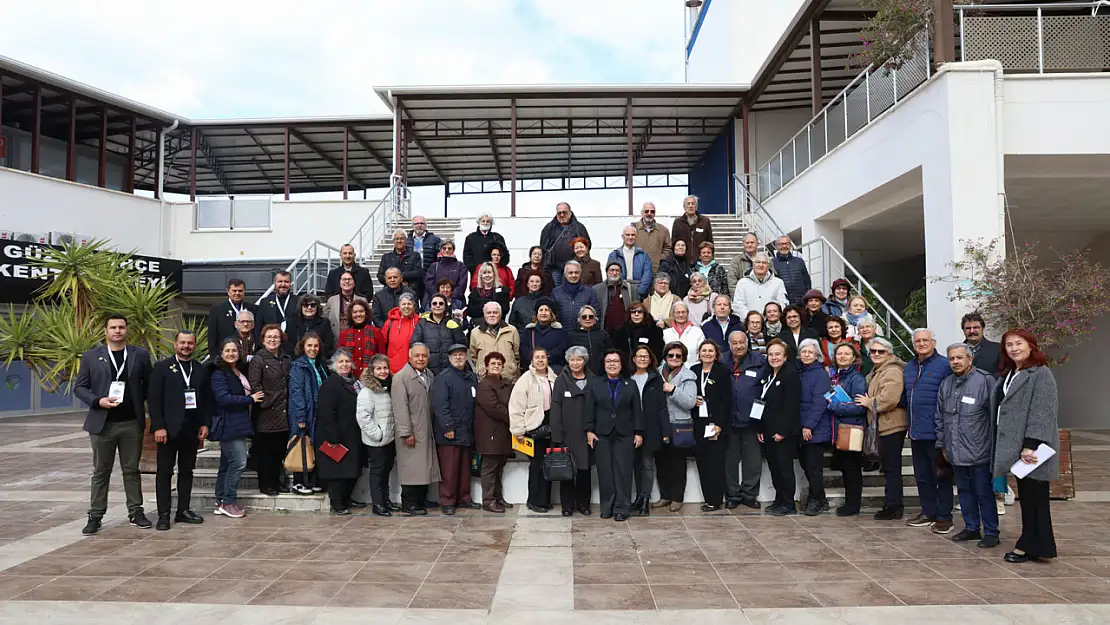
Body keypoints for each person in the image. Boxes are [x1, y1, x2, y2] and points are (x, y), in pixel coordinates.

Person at [75, 314, 153, 534]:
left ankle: (136, 511)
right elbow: (80, 387)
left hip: (131, 423)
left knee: (132, 471)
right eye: (113, 327)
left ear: (127, 330)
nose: (117, 331)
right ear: (106, 331)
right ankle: (95, 515)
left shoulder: (140, 355)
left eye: (121, 327)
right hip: (102, 424)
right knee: (101, 471)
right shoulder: (92, 357)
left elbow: (149, 385)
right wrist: (97, 401)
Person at [993, 328, 1059, 564]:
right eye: (1009, 345)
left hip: (1033, 449)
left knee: (1036, 499)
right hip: (1016, 445)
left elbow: (1043, 412)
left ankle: (1029, 544)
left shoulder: (1040, 374)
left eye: (1019, 343)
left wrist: (1030, 445)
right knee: (1028, 498)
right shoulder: (1012, 373)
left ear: (1031, 345)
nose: (1014, 348)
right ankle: (1037, 544)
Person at [936, 343, 999, 548]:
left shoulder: (985, 381)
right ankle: (971, 527)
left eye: (959, 358)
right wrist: (943, 444)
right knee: (964, 491)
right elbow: (939, 417)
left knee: (983, 491)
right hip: (955, 449)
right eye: (951, 358)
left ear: (969, 359)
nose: (955, 362)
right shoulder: (946, 384)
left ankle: (991, 531)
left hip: (980, 449)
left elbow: (995, 416)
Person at [149, 330, 208, 531]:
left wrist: (204, 423)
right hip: (167, 430)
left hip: (191, 429)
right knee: (164, 472)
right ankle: (163, 514)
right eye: (182, 343)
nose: (186, 346)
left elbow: (205, 400)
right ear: (175, 344)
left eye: (190, 343)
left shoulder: (200, 369)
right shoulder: (162, 368)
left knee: (187, 471)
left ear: (194, 345)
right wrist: (158, 426)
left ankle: (183, 510)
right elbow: (154, 399)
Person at [903, 328, 955, 533]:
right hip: (916, 432)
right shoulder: (909, 367)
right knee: (922, 476)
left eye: (926, 340)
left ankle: (944, 516)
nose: (921, 344)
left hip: (936, 432)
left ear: (933, 342)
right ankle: (928, 511)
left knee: (941, 476)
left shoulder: (944, 365)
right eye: (918, 341)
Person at [585, 350, 644, 521]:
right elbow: (589, 409)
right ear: (604, 364)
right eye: (608, 361)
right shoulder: (595, 384)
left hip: (624, 434)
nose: (612, 364)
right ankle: (607, 507)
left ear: (621, 364)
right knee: (605, 472)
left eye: (615, 361)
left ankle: (621, 508)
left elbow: (637, 411)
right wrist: (589, 430)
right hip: (601, 434)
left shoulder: (630, 384)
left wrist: (638, 432)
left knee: (623, 472)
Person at [208, 338, 263, 520]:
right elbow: (223, 399)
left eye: (234, 350)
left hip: (238, 423)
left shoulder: (236, 370)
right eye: (227, 351)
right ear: (221, 353)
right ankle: (229, 502)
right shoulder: (219, 373)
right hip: (228, 425)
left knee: (226, 464)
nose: (231, 353)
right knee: (239, 463)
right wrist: (250, 399)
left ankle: (220, 501)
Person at [856, 337, 907, 520]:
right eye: (873, 351)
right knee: (888, 468)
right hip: (883, 425)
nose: (876, 354)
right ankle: (891, 503)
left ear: (889, 353)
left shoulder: (892, 371)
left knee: (892, 469)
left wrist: (868, 402)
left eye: (881, 351)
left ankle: (893, 506)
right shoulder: (877, 370)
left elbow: (889, 398)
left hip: (892, 425)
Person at [392, 344, 441, 515]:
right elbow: (400, 407)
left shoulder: (429, 375)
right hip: (411, 431)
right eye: (417, 356)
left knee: (424, 466)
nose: (421, 359)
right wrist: (405, 432)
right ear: (409, 357)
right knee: (411, 468)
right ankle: (409, 503)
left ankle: (421, 500)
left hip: (426, 428)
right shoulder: (401, 378)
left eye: (424, 356)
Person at [432, 344, 480, 515]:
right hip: (450, 432)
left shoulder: (471, 377)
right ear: (449, 358)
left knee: (464, 469)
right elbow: (440, 405)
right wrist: (447, 426)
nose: (459, 358)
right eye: (455, 355)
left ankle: (464, 497)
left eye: (461, 354)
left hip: (467, 430)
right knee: (449, 469)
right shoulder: (443, 378)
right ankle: (448, 500)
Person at [509, 348, 559, 513]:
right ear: (531, 360)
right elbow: (516, 406)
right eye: (536, 357)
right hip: (533, 427)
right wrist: (518, 431)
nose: (540, 360)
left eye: (543, 357)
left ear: (547, 359)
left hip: (551, 425)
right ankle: (534, 501)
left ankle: (545, 500)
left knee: (548, 464)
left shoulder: (554, 378)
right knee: (536, 465)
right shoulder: (525, 380)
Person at [314, 350, 362, 515]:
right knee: (337, 472)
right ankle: (337, 502)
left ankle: (346, 498)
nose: (344, 365)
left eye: (347, 361)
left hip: (351, 433)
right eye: (340, 362)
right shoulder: (330, 384)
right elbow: (327, 413)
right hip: (335, 434)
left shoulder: (353, 383)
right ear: (334, 366)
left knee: (350, 470)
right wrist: (332, 436)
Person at [722, 332, 766, 510]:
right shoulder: (722, 361)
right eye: (735, 343)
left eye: (742, 342)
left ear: (747, 343)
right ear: (729, 344)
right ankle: (732, 495)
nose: (738, 346)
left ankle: (750, 494)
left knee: (753, 462)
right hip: (728, 420)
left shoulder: (759, 361)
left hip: (752, 421)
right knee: (729, 461)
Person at [654, 341, 698, 513]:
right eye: (671, 355)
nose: (674, 358)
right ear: (665, 356)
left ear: (684, 358)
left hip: (680, 425)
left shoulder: (689, 377)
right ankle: (665, 495)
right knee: (661, 462)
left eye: (678, 356)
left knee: (677, 464)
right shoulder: (656, 373)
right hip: (659, 425)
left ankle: (677, 498)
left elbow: (690, 402)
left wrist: (672, 390)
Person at [249, 324, 292, 496]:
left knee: (279, 451)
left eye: (276, 336)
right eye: (269, 337)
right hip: (266, 413)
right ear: (263, 339)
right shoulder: (258, 359)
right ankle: (266, 484)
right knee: (266, 452)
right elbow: (254, 385)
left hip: (284, 412)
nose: (273, 340)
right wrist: (267, 400)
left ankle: (278, 482)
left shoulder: (287, 358)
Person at [760, 339, 801, 516]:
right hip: (768, 430)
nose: (774, 357)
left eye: (778, 354)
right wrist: (760, 428)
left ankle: (788, 503)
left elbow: (791, 406)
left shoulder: (790, 375)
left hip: (782, 432)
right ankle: (779, 500)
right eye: (771, 354)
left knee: (784, 469)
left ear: (785, 357)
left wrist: (782, 431)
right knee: (775, 468)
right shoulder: (768, 375)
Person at [826, 343, 868, 517]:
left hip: (851, 429)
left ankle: (853, 504)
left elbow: (859, 407)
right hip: (839, 429)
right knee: (845, 468)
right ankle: (850, 502)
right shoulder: (835, 376)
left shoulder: (856, 378)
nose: (842, 356)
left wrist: (834, 406)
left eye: (846, 354)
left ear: (854, 357)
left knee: (851, 469)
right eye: (839, 354)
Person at [690, 340, 731, 512]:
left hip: (715, 423)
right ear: (699, 353)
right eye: (704, 350)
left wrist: (720, 424)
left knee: (715, 463)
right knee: (702, 462)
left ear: (716, 354)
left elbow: (726, 400)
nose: (707, 353)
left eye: (710, 351)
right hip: (698, 423)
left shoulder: (722, 371)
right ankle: (708, 499)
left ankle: (716, 499)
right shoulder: (694, 371)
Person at [629, 345, 669, 516]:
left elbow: (662, 407)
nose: (642, 359)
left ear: (650, 359)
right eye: (639, 356)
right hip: (630, 428)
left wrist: (665, 431)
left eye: (646, 356)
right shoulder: (627, 378)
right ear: (634, 359)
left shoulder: (655, 379)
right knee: (635, 465)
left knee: (646, 465)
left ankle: (645, 498)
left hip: (651, 429)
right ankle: (638, 497)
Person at [356, 354, 398, 516]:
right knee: (377, 472)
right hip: (376, 441)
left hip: (389, 439)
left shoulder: (388, 387)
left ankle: (385, 500)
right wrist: (377, 434)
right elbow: (363, 417)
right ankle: (378, 504)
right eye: (379, 368)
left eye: (385, 368)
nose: (383, 371)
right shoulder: (367, 392)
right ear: (372, 370)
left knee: (386, 471)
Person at [288, 332, 329, 495]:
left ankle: (313, 481)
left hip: (318, 412)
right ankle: (299, 482)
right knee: (301, 446)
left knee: (314, 447)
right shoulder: (299, 366)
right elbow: (296, 392)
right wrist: (300, 416)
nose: (313, 349)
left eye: (315, 346)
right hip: (305, 412)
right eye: (309, 345)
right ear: (303, 347)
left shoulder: (320, 365)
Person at [475, 352, 514, 513]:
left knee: (499, 467)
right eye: (493, 364)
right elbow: (493, 408)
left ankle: (498, 498)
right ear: (486, 366)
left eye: (499, 364)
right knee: (489, 468)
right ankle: (488, 500)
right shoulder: (484, 385)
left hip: (503, 433)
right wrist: (513, 418)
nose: (496, 366)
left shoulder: (506, 383)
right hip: (489, 433)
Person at [796, 339, 831, 516]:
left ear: (817, 355)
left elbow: (819, 402)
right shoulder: (800, 371)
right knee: (806, 465)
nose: (807, 355)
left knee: (813, 467)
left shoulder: (820, 374)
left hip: (814, 428)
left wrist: (808, 425)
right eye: (804, 351)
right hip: (802, 426)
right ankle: (822, 498)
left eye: (810, 352)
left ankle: (815, 500)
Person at [540, 202, 591, 287]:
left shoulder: (579, 227)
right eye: (559, 213)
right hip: (554, 267)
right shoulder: (549, 228)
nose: (562, 215)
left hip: (574, 266)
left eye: (565, 212)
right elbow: (543, 247)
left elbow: (587, 245)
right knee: (556, 292)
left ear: (570, 212)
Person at [412, 293, 466, 374]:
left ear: (445, 307)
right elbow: (414, 344)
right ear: (430, 307)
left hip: (450, 370)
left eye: (441, 303)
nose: (438, 306)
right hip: (428, 371)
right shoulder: (422, 324)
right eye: (434, 303)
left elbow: (463, 344)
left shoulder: (451, 322)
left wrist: (456, 329)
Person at [469, 301, 521, 380]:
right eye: (488, 313)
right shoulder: (475, 333)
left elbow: (517, 354)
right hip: (485, 378)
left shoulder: (512, 330)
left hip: (508, 378)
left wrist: (512, 367)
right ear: (484, 315)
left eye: (495, 312)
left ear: (500, 314)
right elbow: (474, 356)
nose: (492, 315)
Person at [208, 279, 257, 358]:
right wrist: (215, 359)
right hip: (226, 357)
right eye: (234, 290)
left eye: (240, 291)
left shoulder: (254, 309)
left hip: (249, 357)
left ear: (244, 292)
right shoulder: (217, 310)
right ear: (228, 291)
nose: (237, 293)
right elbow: (212, 338)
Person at [336, 298, 382, 381]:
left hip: (372, 379)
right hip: (349, 379)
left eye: (361, 311)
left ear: (366, 313)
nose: (358, 314)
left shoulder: (376, 332)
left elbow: (382, 358)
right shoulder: (343, 335)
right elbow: (340, 358)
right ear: (351, 315)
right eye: (355, 312)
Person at [519, 297, 568, 373]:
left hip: (554, 370)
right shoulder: (528, 331)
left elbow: (561, 349)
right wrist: (535, 359)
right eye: (541, 310)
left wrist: (544, 358)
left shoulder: (560, 331)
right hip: (533, 370)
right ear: (537, 313)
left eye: (546, 310)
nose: (543, 313)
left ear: (551, 314)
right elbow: (524, 349)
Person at [732, 252, 787, 318]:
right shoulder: (742, 283)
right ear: (753, 264)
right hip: (749, 324)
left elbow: (782, 304)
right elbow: (738, 305)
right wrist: (753, 319)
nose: (761, 265)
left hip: (771, 324)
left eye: (764, 263)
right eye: (758, 262)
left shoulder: (778, 283)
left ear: (768, 266)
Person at [607, 226, 654, 299]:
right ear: (623, 237)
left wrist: (640, 293)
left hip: (639, 292)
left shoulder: (643, 255)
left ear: (636, 236)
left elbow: (647, 276)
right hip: (620, 291)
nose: (630, 237)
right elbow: (610, 275)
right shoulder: (614, 255)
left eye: (633, 235)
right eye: (627, 235)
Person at [567, 305, 614, 376]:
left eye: (591, 316)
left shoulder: (603, 334)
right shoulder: (572, 336)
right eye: (584, 317)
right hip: (579, 375)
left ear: (595, 319)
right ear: (579, 319)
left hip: (601, 374)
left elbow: (610, 353)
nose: (587, 319)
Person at [552, 260, 600, 328]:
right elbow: (553, 315)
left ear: (580, 274)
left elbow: (596, 314)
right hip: (562, 334)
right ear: (565, 274)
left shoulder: (590, 292)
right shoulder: (556, 292)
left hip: (583, 334)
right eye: (570, 273)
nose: (573, 275)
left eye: (576, 272)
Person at [257, 270, 297, 352]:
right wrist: (263, 347)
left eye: (286, 281)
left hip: (293, 349)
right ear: (274, 283)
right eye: (280, 281)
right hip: (270, 349)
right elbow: (258, 327)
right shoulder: (265, 302)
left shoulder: (298, 301)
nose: (283, 284)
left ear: (290, 283)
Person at [383, 293, 422, 374]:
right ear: (399, 307)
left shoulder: (420, 322)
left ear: (414, 306)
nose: (406, 306)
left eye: (409, 304)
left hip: (415, 369)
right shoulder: (389, 323)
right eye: (404, 304)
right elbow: (383, 344)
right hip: (394, 370)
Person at [287, 295, 335, 360]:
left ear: (317, 307)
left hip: (318, 360)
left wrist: (314, 354)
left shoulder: (325, 323)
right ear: (300, 307)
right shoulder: (292, 322)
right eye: (305, 305)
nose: (309, 308)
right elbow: (289, 343)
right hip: (296, 359)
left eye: (313, 305)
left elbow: (328, 344)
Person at [594, 261, 638, 333]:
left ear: (621, 273)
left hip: (625, 330)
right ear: (607, 272)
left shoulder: (631, 289)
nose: (614, 273)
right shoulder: (597, 289)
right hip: (605, 330)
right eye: (612, 270)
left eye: (617, 271)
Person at [422, 239, 468, 305]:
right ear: (440, 250)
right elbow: (429, 283)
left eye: (449, 248)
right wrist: (438, 297)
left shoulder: (460, 266)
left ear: (453, 250)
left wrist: (451, 297)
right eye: (444, 248)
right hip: (436, 301)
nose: (447, 250)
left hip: (455, 301)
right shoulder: (434, 266)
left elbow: (462, 284)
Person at [467, 261, 512, 326]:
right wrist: (491, 304)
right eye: (484, 273)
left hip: (497, 326)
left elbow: (504, 309)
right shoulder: (475, 292)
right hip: (478, 326)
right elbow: (471, 311)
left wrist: (483, 305)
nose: (487, 275)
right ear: (481, 276)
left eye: (489, 272)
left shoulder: (503, 291)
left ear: (494, 274)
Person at [771, 236, 812, 306]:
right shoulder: (772, 262)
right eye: (781, 244)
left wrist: (807, 298)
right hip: (782, 303)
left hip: (801, 303)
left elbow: (807, 281)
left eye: (787, 243)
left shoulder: (799, 261)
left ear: (790, 245)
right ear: (776, 246)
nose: (784, 246)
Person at [662, 301, 705, 368]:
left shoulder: (697, 331)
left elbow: (701, 353)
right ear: (673, 314)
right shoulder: (666, 333)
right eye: (678, 312)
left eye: (683, 312)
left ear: (687, 314)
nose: (681, 315)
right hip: (670, 370)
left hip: (692, 370)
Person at [633, 201, 671, 273]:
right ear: (642, 213)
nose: (649, 213)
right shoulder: (633, 229)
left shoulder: (664, 230)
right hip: (637, 271)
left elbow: (668, 248)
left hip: (656, 271)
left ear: (655, 214)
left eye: (652, 211)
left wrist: (659, 259)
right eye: (646, 211)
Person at [326, 271, 359, 338]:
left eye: (349, 279)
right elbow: (325, 320)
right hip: (336, 338)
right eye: (344, 279)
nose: (347, 281)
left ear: (354, 283)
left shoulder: (362, 300)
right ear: (339, 283)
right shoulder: (331, 300)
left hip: (357, 337)